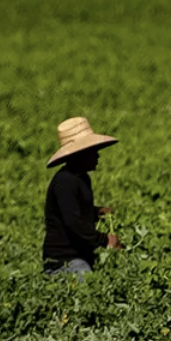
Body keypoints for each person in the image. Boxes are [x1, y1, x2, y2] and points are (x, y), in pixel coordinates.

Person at [44, 116, 121, 276]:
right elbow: (73, 221)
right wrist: (105, 240)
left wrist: (96, 212)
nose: (98, 156)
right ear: (80, 154)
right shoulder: (65, 182)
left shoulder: (81, 178)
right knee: (88, 290)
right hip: (64, 261)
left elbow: (75, 210)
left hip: (79, 257)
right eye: (93, 152)